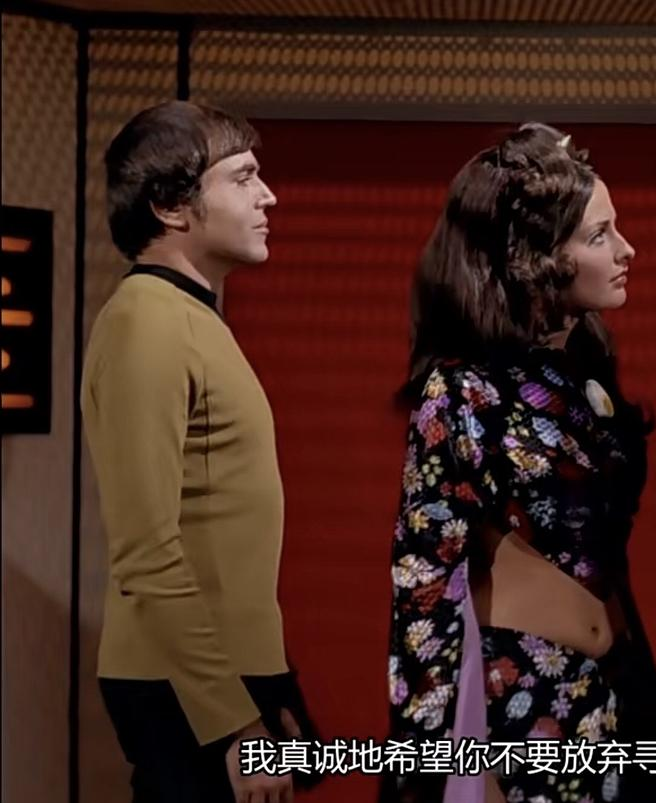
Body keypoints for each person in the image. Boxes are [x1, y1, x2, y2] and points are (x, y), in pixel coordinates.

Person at [382, 123, 656, 803]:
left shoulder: (584, 373)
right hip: (523, 700)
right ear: (536, 258)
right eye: (600, 235)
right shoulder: (462, 391)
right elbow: (423, 582)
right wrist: (438, 766)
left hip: (617, 691)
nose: (627, 250)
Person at [82, 100, 319, 803]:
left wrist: (271, 681)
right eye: (242, 177)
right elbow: (145, 551)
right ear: (169, 205)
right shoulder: (145, 324)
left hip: (228, 671)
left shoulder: (190, 316)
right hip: (186, 684)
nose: (267, 196)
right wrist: (233, 723)